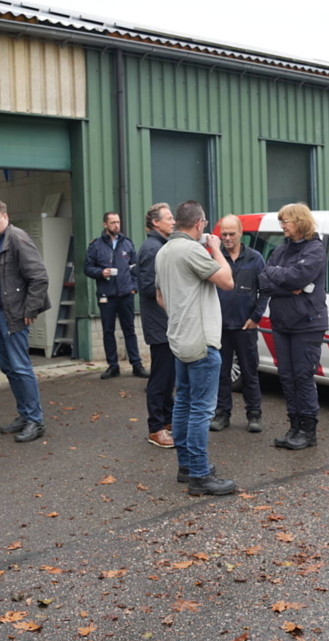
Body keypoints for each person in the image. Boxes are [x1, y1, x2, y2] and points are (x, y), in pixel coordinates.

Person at [154, 200, 236, 496]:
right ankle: (200, 475)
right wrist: (216, 250)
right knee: (201, 409)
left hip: (178, 339)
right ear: (200, 224)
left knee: (184, 403)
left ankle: (186, 466)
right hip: (201, 341)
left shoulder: (163, 251)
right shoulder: (191, 250)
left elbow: (160, 297)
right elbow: (227, 280)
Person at [0, 198, 51, 443]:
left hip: (12, 315)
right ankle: (24, 414)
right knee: (9, 368)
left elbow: (39, 277)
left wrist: (30, 310)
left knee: (21, 367)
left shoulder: (16, 238)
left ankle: (35, 421)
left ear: (5, 217)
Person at [258, 203, 328, 451]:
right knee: (286, 377)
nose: (282, 226)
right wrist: (288, 285)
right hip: (282, 323)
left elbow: (299, 277)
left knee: (302, 376)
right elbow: (264, 281)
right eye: (280, 221)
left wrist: (283, 278)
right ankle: (294, 426)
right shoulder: (279, 251)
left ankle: (308, 431)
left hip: (307, 324)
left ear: (299, 221)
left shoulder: (315, 250)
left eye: (285, 221)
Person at [211, 215, 269, 433]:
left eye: (231, 234)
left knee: (249, 372)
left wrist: (256, 317)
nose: (227, 238)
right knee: (221, 373)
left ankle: (254, 415)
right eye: (223, 234)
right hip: (221, 327)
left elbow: (265, 290)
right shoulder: (216, 258)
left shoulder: (255, 258)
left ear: (240, 233)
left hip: (246, 327)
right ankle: (222, 415)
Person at [84, 212, 149, 380]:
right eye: (113, 222)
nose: (116, 225)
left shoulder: (127, 244)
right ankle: (113, 366)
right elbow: (87, 267)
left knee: (130, 330)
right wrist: (100, 272)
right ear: (105, 224)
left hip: (126, 294)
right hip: (107, 295)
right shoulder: (96, 246)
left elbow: (135, 268)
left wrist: (134, 287)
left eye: (118, 222)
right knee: (108, 331)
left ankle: (137, 365)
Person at [137, 203, 177, 448]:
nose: (173, 222)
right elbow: (149, 287)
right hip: (158, 323)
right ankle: (156, 428)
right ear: (156, 223)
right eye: (169, 218)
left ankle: (168, 420)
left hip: (166, 322)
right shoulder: (152, 249)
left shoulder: (161, 245)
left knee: (169, 375)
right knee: (160, 377)